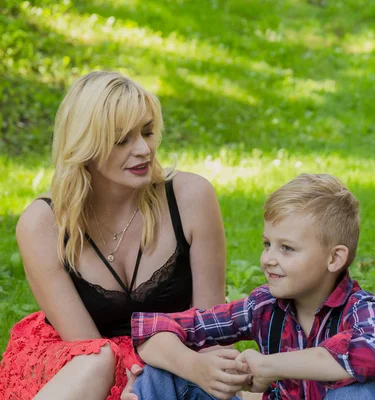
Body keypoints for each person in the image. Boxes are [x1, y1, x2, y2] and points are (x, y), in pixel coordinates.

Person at [0, 71, 251, 400]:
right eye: (122, 140)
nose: (144, 149)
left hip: (176, 364)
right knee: (99, 361)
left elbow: (211, 329)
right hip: (80, 375)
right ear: (85, 147)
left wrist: (198, 369)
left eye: (147, 132)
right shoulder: (43, 223)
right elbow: (85, 348)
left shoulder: (191, 197)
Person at [128, 173, 375, 400]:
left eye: (287, 248)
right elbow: (151, 329)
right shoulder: (263, 306)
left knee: (359, 391)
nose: (268, 259)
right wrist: (198, 367)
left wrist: (269, 366)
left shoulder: (364, 310)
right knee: (162, 372)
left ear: (334, 258)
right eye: (268, 244)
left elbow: (371, 353)